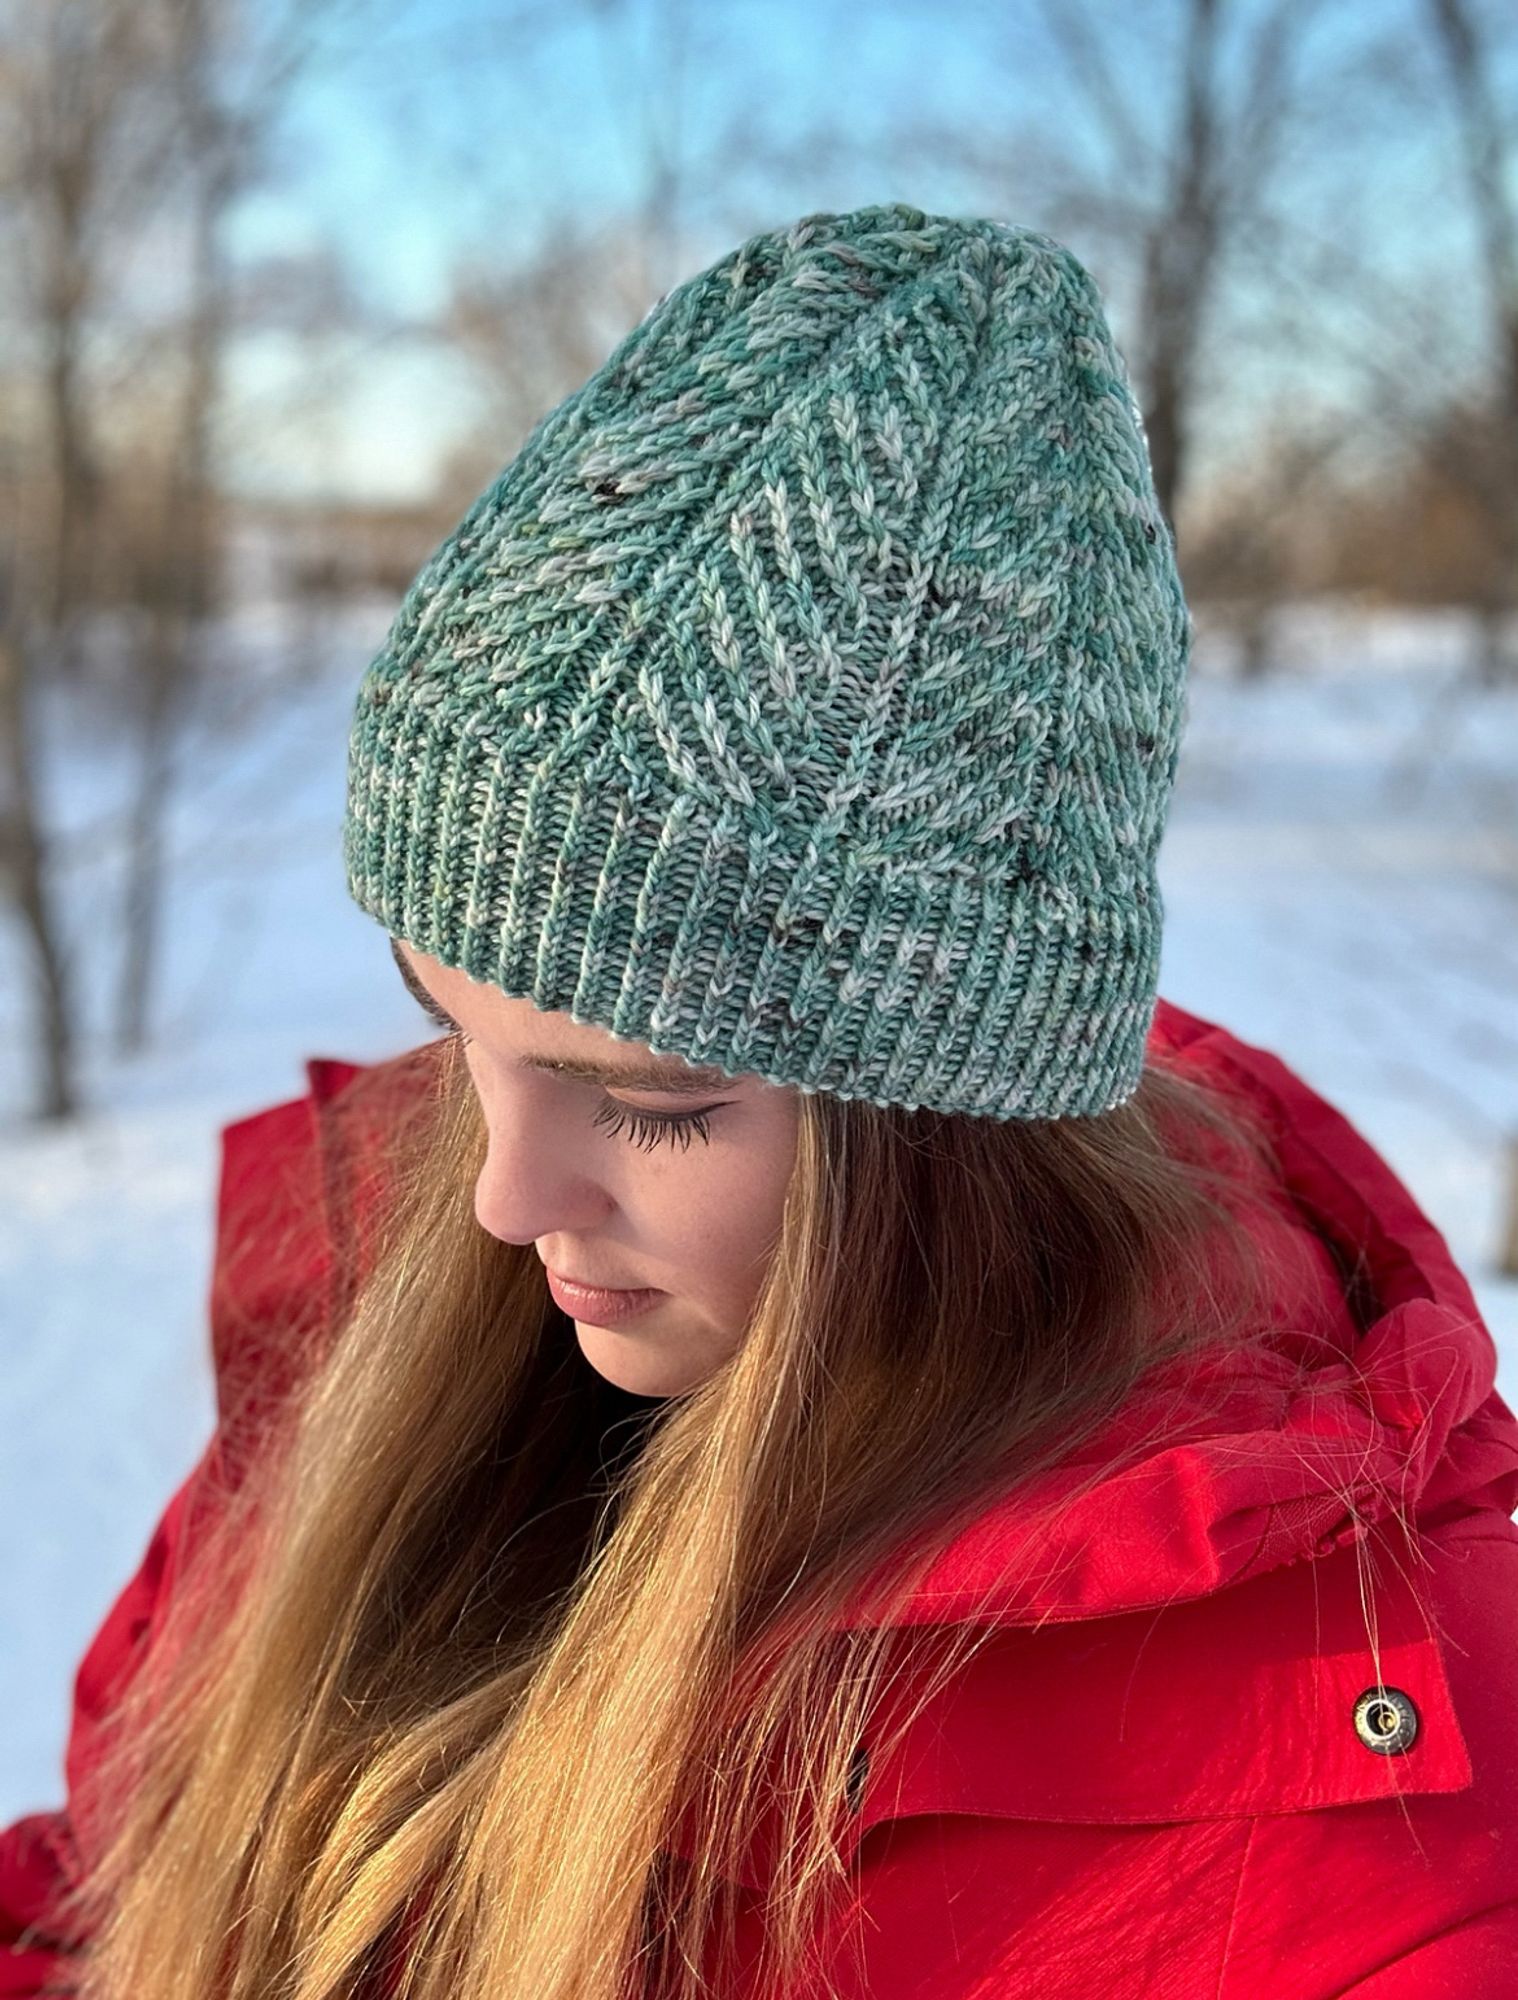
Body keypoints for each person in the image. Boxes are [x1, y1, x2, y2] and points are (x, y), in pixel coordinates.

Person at [4, 200, 1517, 2000]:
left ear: (956, 1125)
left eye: (646, 1099)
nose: (498, 1198)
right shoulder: (409, 1347)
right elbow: (97, 1900)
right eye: (453, 1027)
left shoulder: (1393, 1851)